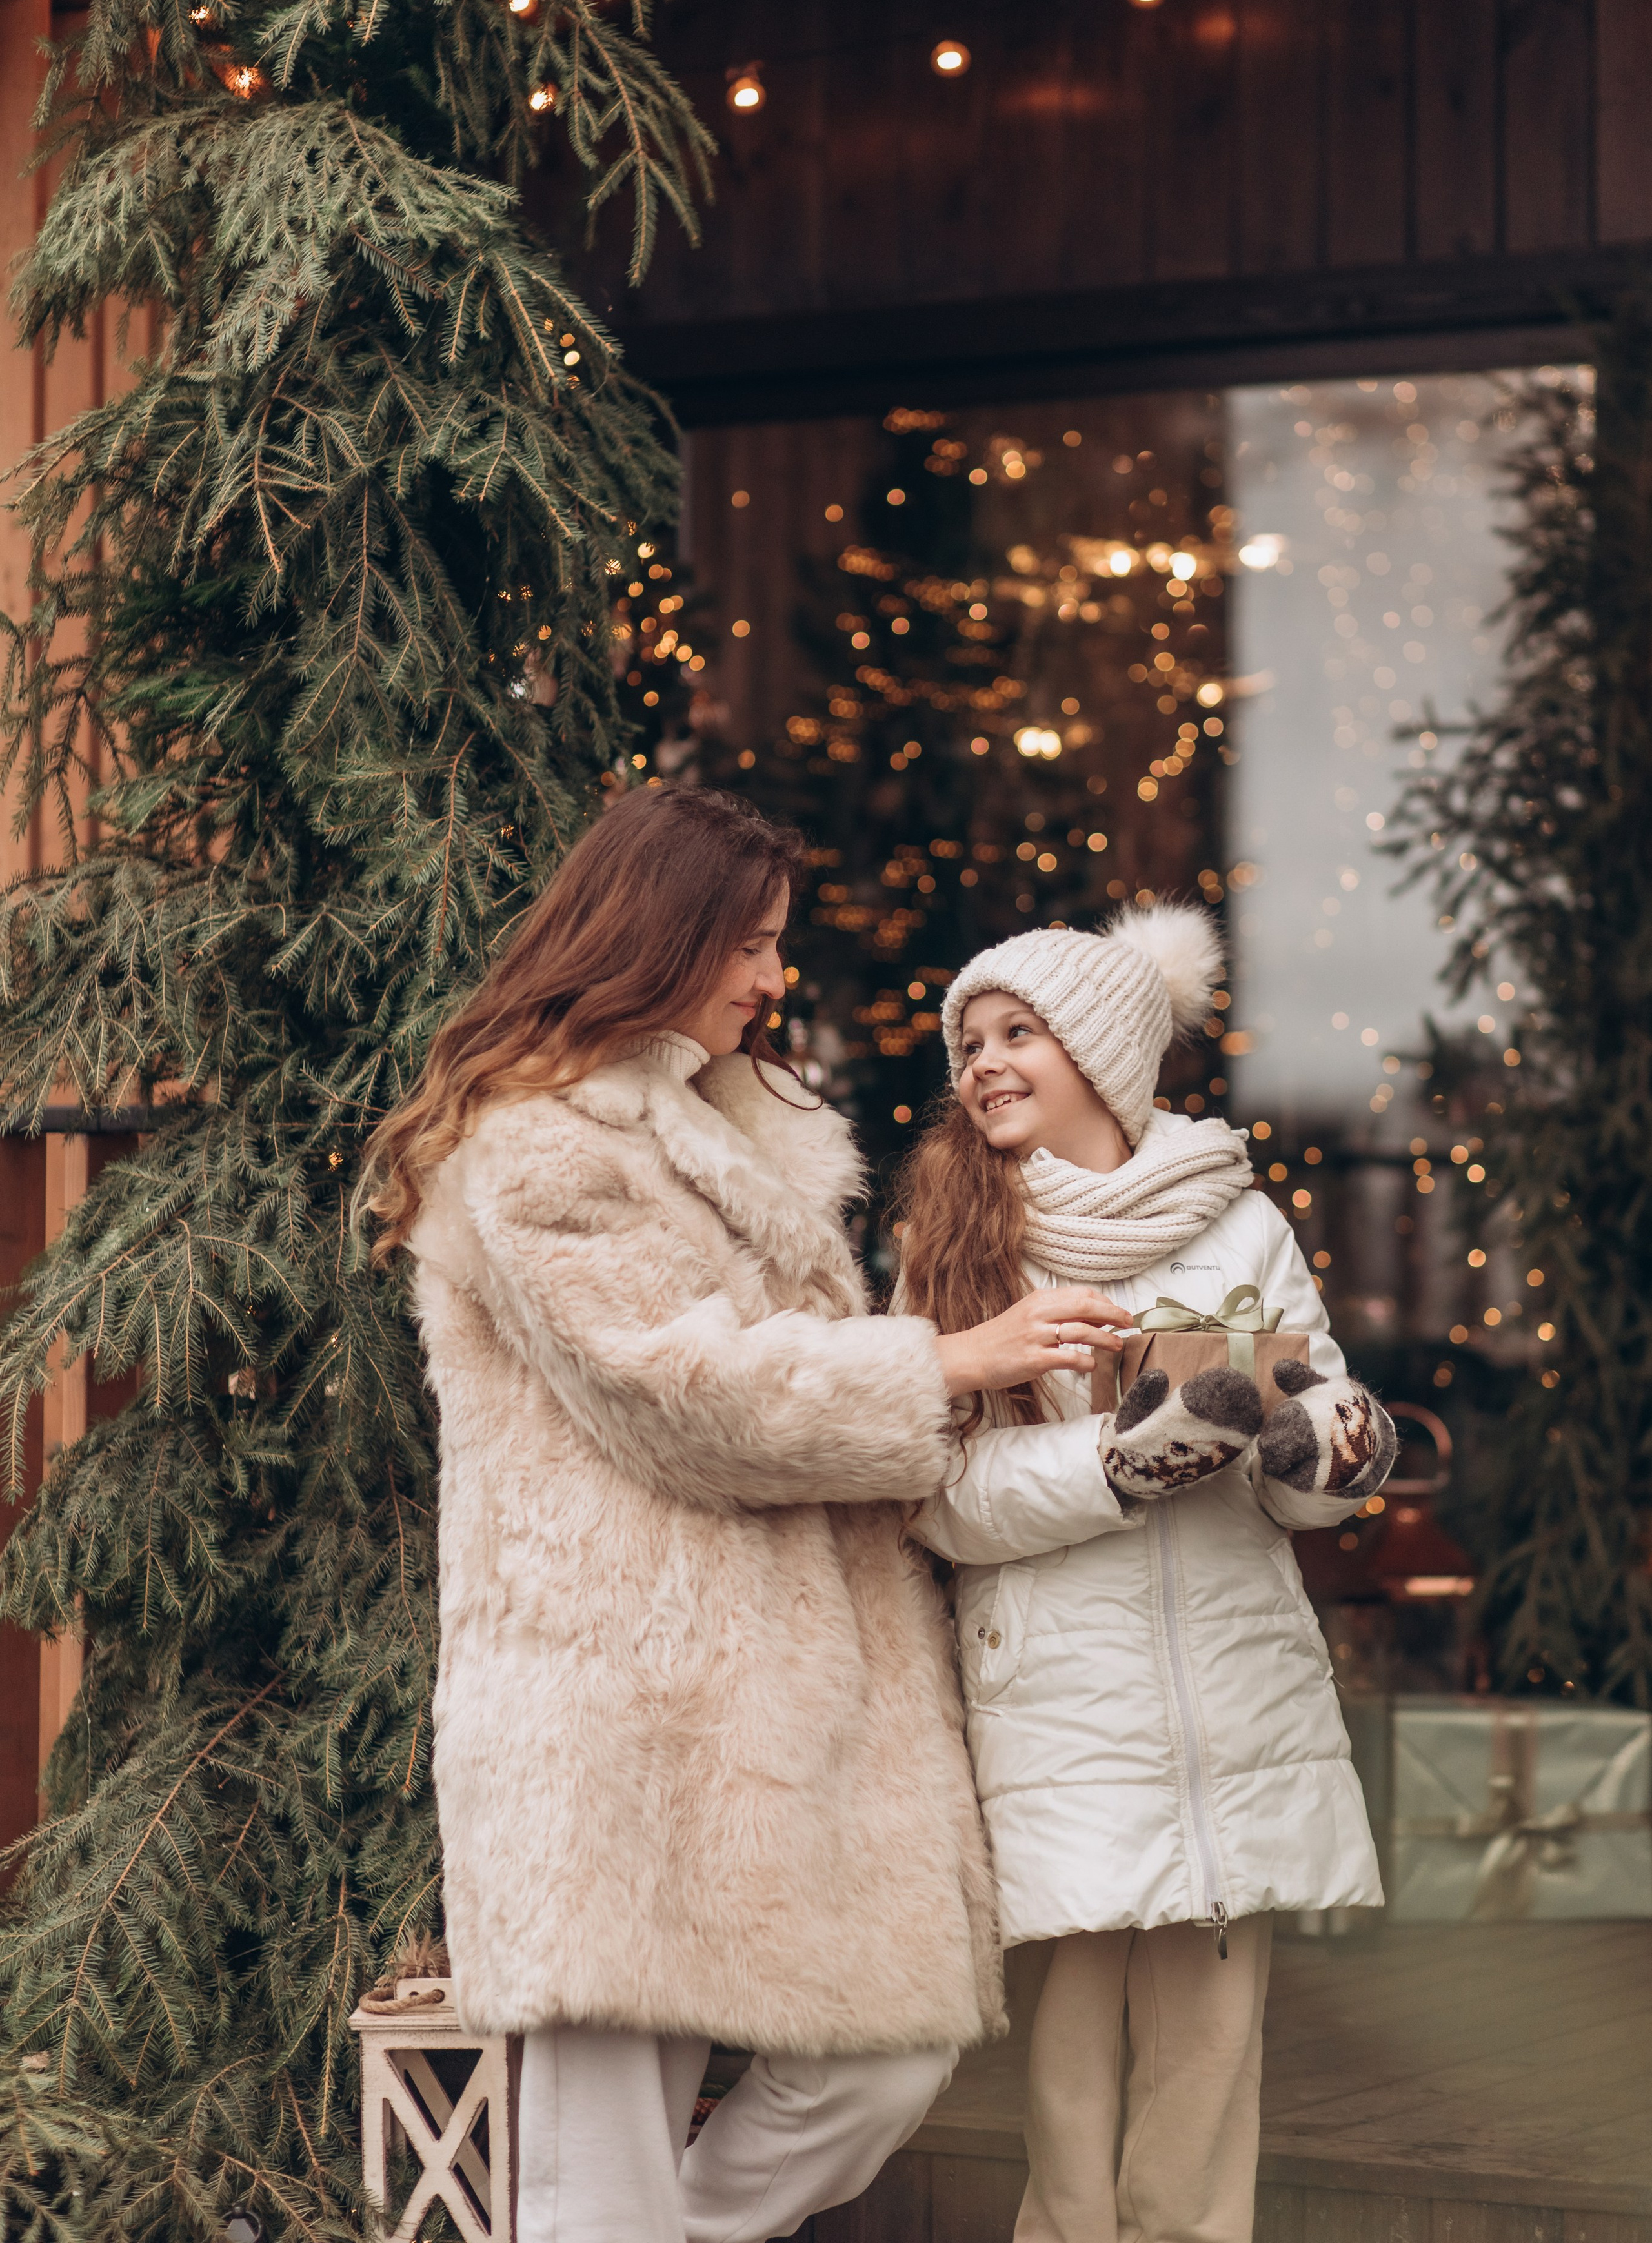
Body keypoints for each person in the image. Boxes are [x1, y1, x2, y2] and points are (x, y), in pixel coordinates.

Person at [362, 785, 1129, 2243]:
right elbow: (668, 1388)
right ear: (660, 935)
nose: (773, 979)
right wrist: (941, 1366)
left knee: (883, 2059)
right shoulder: (534, 1139)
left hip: (783, 1703)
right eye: (752, 944)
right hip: (614, 1699)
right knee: (599, 2160)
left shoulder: (734, 1116)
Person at [897, 903, 1395, 2243]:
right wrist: (1115, 1471)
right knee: (1070, 2068)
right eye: (970, 1042)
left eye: (1018, 1034)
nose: (983, 1062)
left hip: (1229, 1695)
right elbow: (938, 1500)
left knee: (1211, 2043)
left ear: (1105, 1054)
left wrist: (1323, 1449)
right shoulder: (957, 1238)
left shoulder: (1239, 1223)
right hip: (1063, 1697)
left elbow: (1311, 1430)